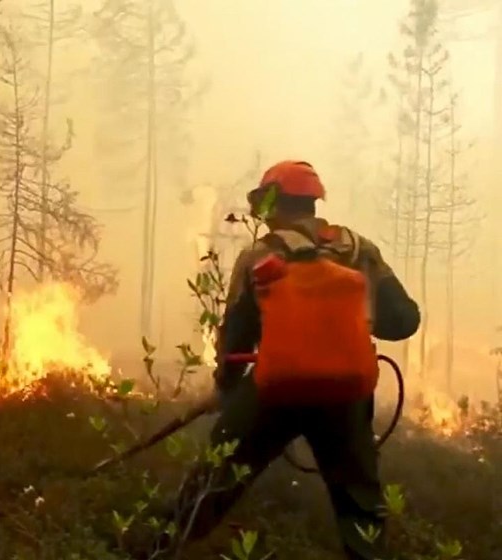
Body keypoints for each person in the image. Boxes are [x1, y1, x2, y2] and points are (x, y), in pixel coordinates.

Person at [137, 160, 421, 559]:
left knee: (210, 485)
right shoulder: (359, 251)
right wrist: (357, 318)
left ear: (269, 203)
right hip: (346, 396)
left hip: (274, 392)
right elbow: (405, 320)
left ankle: (153, 551)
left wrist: (227, 390)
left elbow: (236, 338)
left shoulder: (259, 255)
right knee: (361, 511)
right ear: (313, 202)